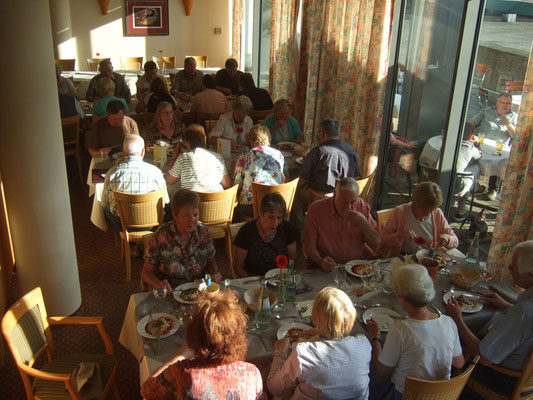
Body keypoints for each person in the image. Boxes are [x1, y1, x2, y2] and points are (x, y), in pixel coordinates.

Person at [446, 240, 533, 399]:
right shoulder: (523, 310)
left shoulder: (523, 313)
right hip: (527, 380)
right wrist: (508, 306)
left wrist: (457, 319)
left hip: (501, 379)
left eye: (515, 264)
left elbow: (484, 357)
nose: (510, 267)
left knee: (447, 345)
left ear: (530, 274)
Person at [141, 290, 263, 400]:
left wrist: (179, 356)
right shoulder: (252, 374)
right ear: (238, 335)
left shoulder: (182, 373)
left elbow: (147, 390)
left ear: (194, 334)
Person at [367, 264, 464, 399]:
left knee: (369, 379)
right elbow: (459, 363)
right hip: (441, 395)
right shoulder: (449, 322)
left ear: (403, 298)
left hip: (408, 395)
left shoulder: (400, 330)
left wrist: (376, 338)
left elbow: (381, 373)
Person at [268, 287, 371, 399]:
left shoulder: (303, 355)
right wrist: (321, 334)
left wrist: (280, 352)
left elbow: (274, 388)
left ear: (316, 319)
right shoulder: (364, 344)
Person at [141, 189, 222, 291]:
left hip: (199, 290)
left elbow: (210, 261)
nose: (192, 221)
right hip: (170, 290)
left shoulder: (203, 232)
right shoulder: (161, 236)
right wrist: (159, 284)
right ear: (175, 215)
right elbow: (146, 272)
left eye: (195, 215)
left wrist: (215, 273)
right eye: (186, 216)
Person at [303, 177, 379, 271]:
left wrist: (364, 224)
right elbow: (309, 246)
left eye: (352, 202)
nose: (348, 207)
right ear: (335, 194)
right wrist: (321, 262)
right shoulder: (316, 209)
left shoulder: (362, 207)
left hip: (355, 269)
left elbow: (376, 242)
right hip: (325, 270)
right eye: (343, 201)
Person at [101, 135, 168, 232]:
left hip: (122, 224)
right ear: (143, 151)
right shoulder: (156, 172)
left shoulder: (112, 173)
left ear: (123, 152)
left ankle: (124, 239)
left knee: (106, 208)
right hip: (152, 224)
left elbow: (104, 202)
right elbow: (166, 201)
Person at [379, 181, 458, 257]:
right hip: (405, 258)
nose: (429, 213)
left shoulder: (437, 213)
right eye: (425, 209)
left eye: (432, 209)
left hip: (429, 258)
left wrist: (447, 239)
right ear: (415, 203)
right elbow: (381, 241)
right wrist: (398, 235)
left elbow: (455, 240)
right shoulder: (400, 212)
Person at [233, 193, 299, 277]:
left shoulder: (287, 229)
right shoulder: (247, 231)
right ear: (260, 212)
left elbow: (292, 260)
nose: (275, 223)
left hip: (279, 278)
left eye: (279, 218)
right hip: (253, 279)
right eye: (271, 217)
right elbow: (238, 267)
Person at [466, 92, 518, 200]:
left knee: (497, 160)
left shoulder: (514, 117)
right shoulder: (487, 111)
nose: (505, 105)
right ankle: (472, 185)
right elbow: (471, 122)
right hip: (481, 142)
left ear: (511, 104)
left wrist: (508, 124)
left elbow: (515, 136)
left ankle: (492, 189)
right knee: (470, 153)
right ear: (497, 102)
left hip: (499, 147)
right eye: (502, 102)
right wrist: (470, 133)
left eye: (508, 103)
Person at [233, 125, 285, 219]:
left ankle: (242, 230)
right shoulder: (279, 155)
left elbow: (236, 185)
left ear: (252, 141)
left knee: (234, 207)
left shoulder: (245, 156)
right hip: (275, 204)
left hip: (253, 207)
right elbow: (283, 178)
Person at [300, 119, 361, 193]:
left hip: (320, 195)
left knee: (297, 189)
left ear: (323, 134)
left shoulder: (318, 151)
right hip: (345, 195)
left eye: (319, 132)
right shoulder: (351, 150)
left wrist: (306, 162)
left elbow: (303, 175)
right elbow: (357, 175)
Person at [166, 125, 231, 191]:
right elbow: (227, 184)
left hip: (192, 200)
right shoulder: (218, 157)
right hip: (218, 200)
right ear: (205, 139)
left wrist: (174, 158)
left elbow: (169, 180)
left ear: (187, 143)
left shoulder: (183, 158)